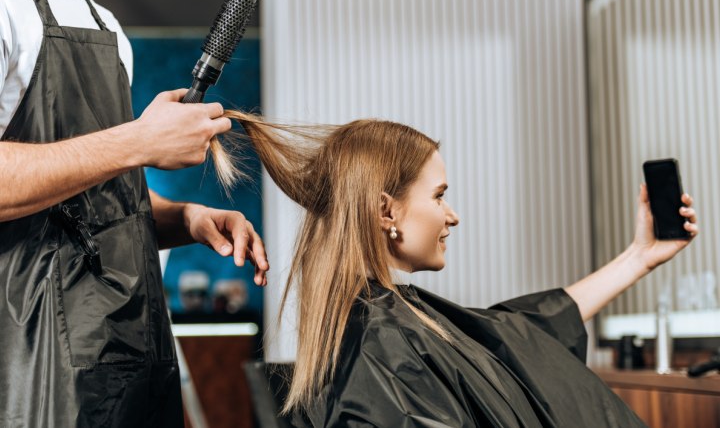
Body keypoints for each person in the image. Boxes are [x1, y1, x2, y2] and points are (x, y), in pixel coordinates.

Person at [225, 111, 699, 427]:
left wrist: (641, 256)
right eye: (438, 195)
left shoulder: (382, 323)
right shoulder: (385, 345)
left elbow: (517, 331)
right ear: (386, 211)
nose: (451, 215)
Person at [0, 0, 268, 427]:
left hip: (134, 345)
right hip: (32, 350)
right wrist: (139, 140)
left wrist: (186, 217)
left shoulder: (107, 26)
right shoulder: (5, 3)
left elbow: (98, 195)